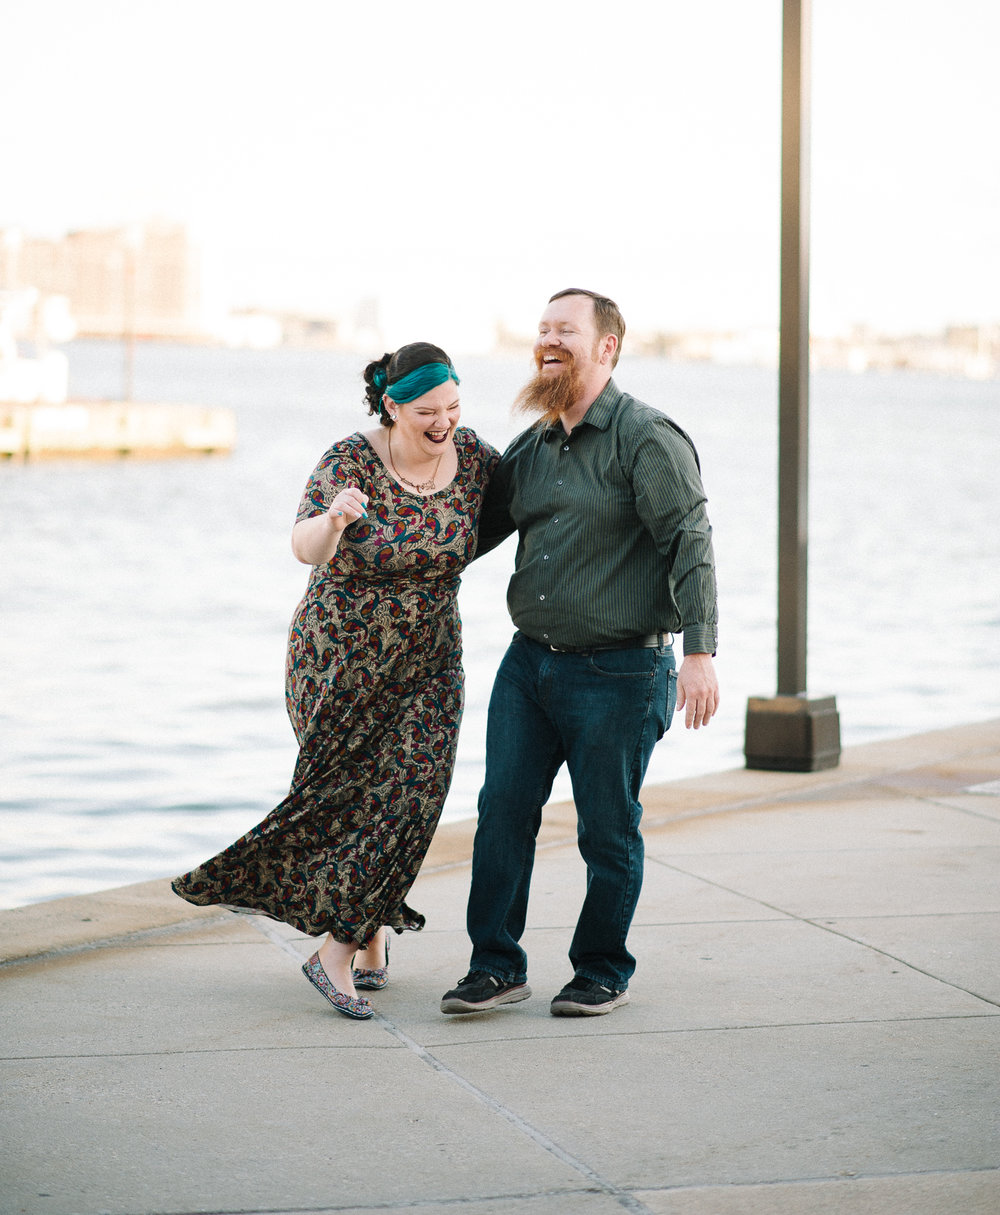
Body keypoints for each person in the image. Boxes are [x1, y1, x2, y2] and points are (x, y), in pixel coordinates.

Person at [174, 343, 497, 1020]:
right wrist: (335, 519)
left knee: (415, 794)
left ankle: (336, 949)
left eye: (453, 406)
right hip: (339, 657)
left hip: (431, 659)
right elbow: (305, 546)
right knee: (353, 801)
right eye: (427, 410)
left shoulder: (474, 460)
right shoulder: (349, 459)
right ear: (392, 406)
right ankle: (365, 932)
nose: (444, 421)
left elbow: (527, 506)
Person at [441, 288, 719, 1019]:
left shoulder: (645, 438)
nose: (548, 341)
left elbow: (690, 541)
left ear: (607, 347)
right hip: (528, 665)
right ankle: (495, 964)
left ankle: (601, 967)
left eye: (566, 329)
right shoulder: (532, 448)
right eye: (542, 330)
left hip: (621, 672)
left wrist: (700, 651)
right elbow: (465, 538)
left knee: (606, 826)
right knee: (501, 810)